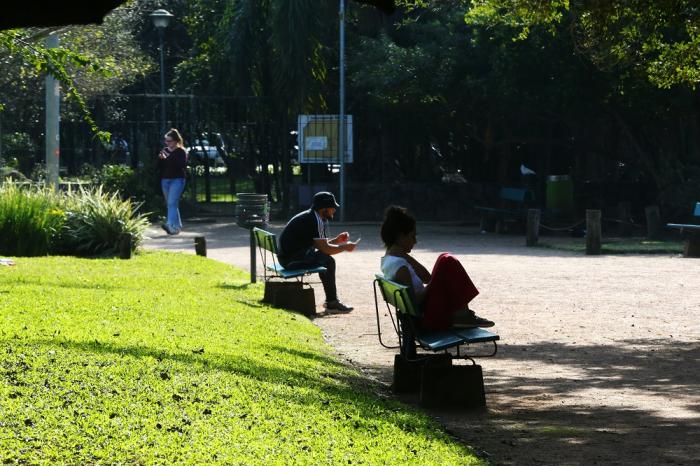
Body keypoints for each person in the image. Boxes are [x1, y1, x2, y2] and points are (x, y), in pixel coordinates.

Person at [380, 205, 494, 330]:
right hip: (427, 316)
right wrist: (436, 280)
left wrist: (406, 256)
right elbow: (416, 300)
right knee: (447, 260)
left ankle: (463, 313)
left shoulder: (391, 260)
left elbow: (426, 278)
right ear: (401, 237)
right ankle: (463, 314)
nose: (415, 241)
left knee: (444, 258)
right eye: (412, 236)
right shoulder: (399, 266)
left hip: (426, 309)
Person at [278, 191, 358, 313]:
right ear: (324, 208)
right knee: (328, 261)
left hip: (287, 257)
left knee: (324, 258)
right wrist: (345, 247)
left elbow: (320, 245)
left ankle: (332, 301)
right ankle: (332, 302)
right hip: (291, 261)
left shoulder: (311, 216)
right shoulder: (316, 220)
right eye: (332, 208)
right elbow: (325, 249)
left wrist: (336, 240)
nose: (334, 210)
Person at [158, 128, 188, 235]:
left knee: (171, 203)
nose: (167, 143)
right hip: (165, 180)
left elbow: (180, 165)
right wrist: (161, 159)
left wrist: (167, 158)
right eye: (166, 141)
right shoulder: (165, 150)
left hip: (177, 180)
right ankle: (177, 227)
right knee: (171, 204)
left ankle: (169, 224)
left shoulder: (181, 152)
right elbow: (160, 166)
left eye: (169, 141)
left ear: (176, 141)